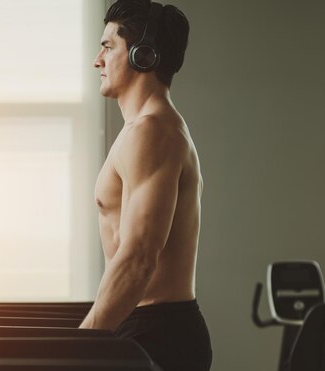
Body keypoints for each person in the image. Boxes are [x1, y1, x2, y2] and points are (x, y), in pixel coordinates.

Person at [79, 1, 212, 370]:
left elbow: (139, 257)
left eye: (108, 47)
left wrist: (81, 343)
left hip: (158, 333)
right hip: (146, 326)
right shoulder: (142, 130)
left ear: (143, 55)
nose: (97, 60)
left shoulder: (153, 131)